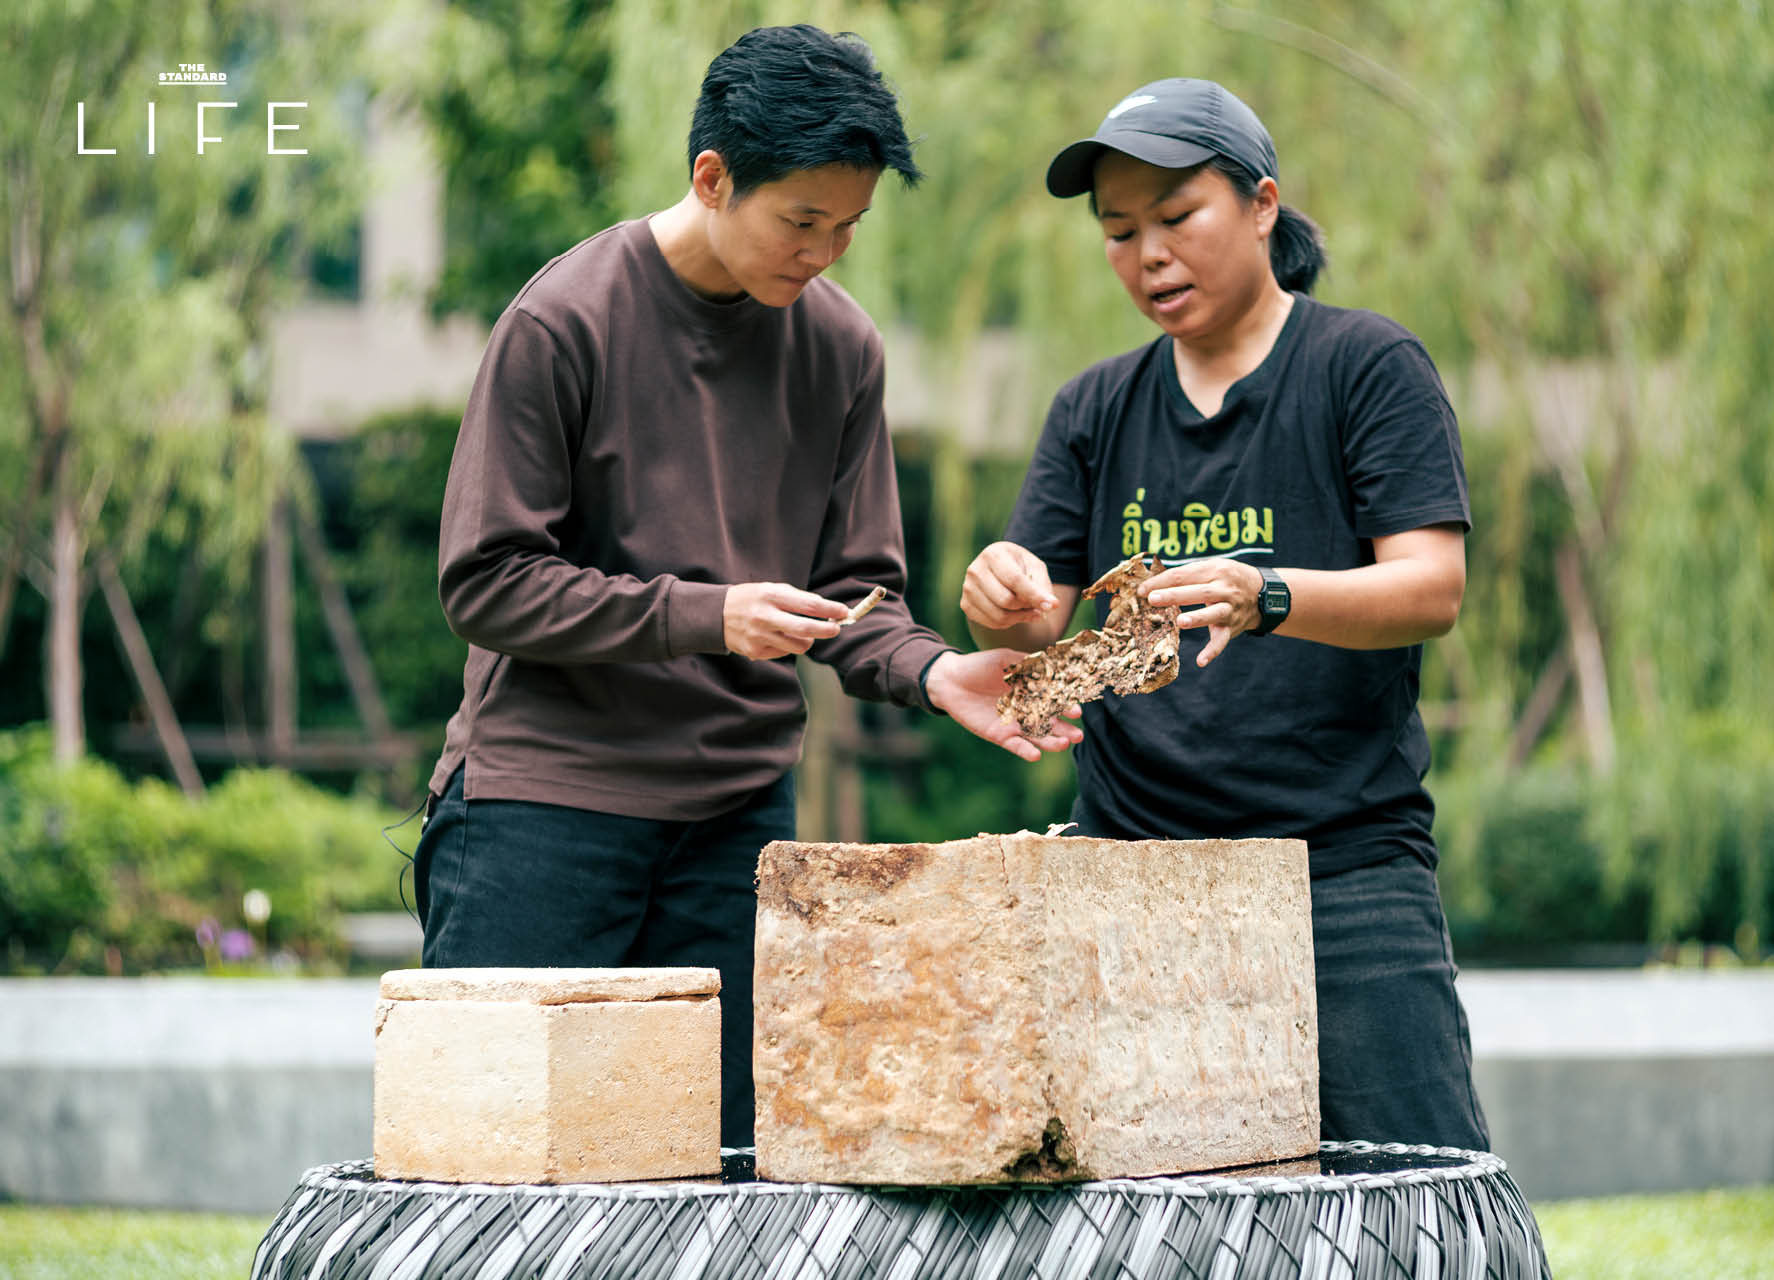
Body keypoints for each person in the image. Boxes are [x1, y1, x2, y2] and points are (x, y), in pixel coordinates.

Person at [416, 24, 1079, 1149]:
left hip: (735, 824)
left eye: (850, 226)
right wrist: (705, 613)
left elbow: (857, 595)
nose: (824, 252)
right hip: (545, 808)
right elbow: (487, 581)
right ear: (711, 178)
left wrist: (937, 671)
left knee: (715, 1177)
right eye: (802, 221)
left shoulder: (842, 351)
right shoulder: (561, 320)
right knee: (496, 1168)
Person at [962, 78, 1488, 1149]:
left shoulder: (1364, 366)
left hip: (1340, 869)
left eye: (1174, 216)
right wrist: (998, 595)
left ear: (1261, 204)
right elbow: (1036, 626)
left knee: (1418, 1187)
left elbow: (1430, 587)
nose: (1147, 252)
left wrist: (1267, 594)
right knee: (1154, 1212)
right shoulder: (1094, 406)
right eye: (1118, 230)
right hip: (1131, 869)